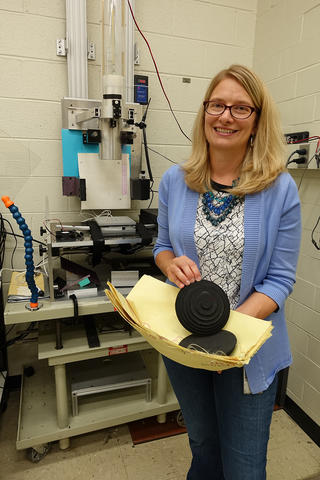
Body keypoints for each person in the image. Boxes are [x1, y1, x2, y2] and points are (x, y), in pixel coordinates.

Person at [153, 64, 301, 480]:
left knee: (245, 463)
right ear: (204, 113)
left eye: (240, 109)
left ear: (256, 122)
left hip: (247, 351)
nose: (225, 116)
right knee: (203, 446)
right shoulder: (174, 181)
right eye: (217, 105)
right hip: (185, 345)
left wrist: (228, 334)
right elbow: (162, 247)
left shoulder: (279, 188)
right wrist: (169, 262)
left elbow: (281, 279)